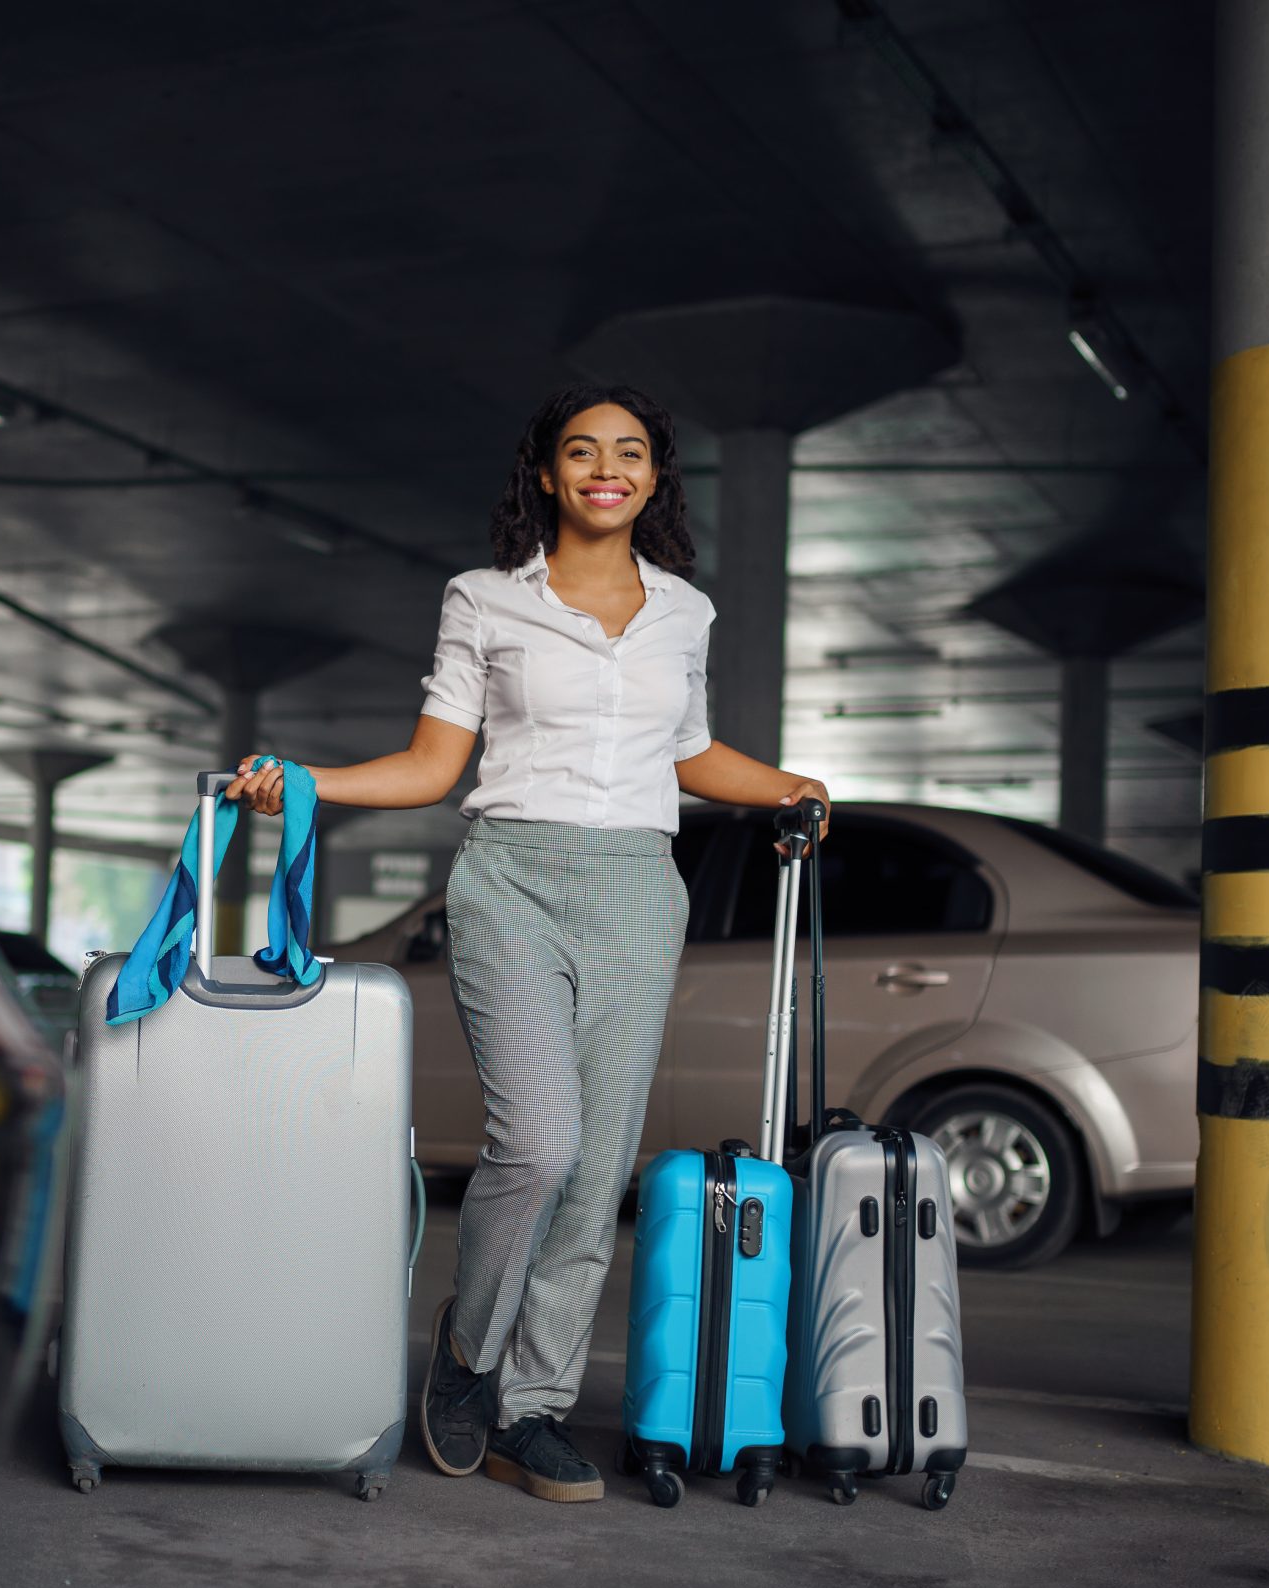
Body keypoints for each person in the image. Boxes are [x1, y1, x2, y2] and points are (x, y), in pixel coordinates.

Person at [227, 383, 830, 1504]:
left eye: (632, 451)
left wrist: (790, 783)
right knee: (539, 1144)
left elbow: (688, 750)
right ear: (547, 474)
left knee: (597, 1169)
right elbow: (431, 764)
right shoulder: (485, 600)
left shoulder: (683, 613)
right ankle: (468, 1348)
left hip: (640, 890)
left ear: (653, 477)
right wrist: (310, 782)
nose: (609, 467)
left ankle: (532, 1410)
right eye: (583, 450)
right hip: (512, 876)